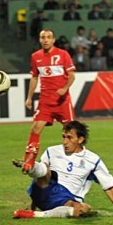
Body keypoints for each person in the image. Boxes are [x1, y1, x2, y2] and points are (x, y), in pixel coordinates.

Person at [12, 121, 113, 218]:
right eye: (63, 136)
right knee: (45, 170)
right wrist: (33, 202)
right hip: (45, 189)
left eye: (69, 138)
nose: (64, 142)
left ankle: (33, 214)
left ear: (80, 139)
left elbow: (109, 187)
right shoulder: (52, 151)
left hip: (66, 199)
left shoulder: (92, 160)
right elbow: (40, 179)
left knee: (82, 208)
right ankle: (30, 166)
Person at [21, 29, 77, 172]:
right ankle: (29, 162)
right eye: (43, 37)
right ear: (40, 40)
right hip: (45, 101)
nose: (45, 40)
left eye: (48, 37)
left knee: (71, 132)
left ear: (53, 40)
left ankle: (76, 160)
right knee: (35, 128)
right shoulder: (36, 57)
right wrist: (29, 97)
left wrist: (65, 88)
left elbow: (71, 76)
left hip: (62, 101)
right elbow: (34, 77)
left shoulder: (63, 54)